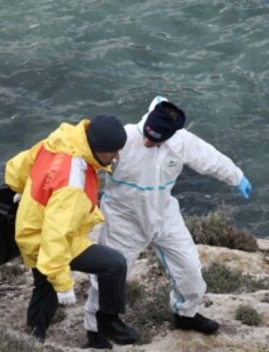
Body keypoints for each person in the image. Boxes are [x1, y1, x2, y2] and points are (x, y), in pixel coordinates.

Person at [83, 97, 251, 346]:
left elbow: (210, 159)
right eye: (147, 136)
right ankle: (96, 328)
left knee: (191, 269)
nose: (147, 142)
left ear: (171, 135)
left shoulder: (182, 142)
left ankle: (185, 313)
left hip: (164, 215)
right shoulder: (126, 137)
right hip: (123, 219)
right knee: (108, 277)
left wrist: (237, 177)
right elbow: (85, 157)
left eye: (155, 140)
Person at [5, 115, 140, 345]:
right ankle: (108, 321)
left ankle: (34, 337)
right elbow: (55, 234)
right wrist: (64, 284)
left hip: (31, 225)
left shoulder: (60, 141)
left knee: (44, 286)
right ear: (96, 148)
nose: (116, 156)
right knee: (114, 264)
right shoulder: (72, 184)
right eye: (112, 152)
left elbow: (19, 165)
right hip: (44, 239)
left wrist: (20, 188)